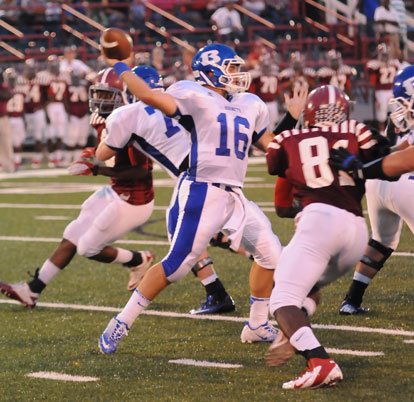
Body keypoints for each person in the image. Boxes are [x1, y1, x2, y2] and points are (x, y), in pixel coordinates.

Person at [98, 43, 307, 354]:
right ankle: (121, 322)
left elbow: (273, 149)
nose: (238, 73)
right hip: (203, 188)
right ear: (211, 71)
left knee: (271, 254)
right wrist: (121, 66)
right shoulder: (193, 94)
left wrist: (291, 120)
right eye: (231, 67)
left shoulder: (250, 103)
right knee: (178, 265)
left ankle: (256, 324)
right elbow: (149, 96)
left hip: (234, 193)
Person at [0, 67, 155, 308]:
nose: (99, 101)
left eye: (106, 95)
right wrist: (89, 157)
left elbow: (141, 171)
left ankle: (139, 259)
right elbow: (106, 155)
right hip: (116, 191)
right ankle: (32, 291)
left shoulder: (129, 121)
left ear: (123, 95)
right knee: (72, 234)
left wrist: (96, 170)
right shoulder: (105, 120)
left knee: (87, 248)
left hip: (134, 200)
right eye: (98, 94)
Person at [265, 85, 379, 389]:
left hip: (319, 222)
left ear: (310, 112)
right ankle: (294, 331)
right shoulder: (358, 130)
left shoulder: (290, 138)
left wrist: (290, 118)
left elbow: (273, 159)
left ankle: (319, 361)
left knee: (281, 299)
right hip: (356, 229)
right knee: (309, 286)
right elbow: (379, 160)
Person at [336, 66, 414, 315]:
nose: (403, 109)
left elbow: (403, 148)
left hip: (380, 184)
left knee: (382, 241)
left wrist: (364, 167)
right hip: (404, 181)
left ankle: (351, 300)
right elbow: (406, 157)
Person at [367, 43, 399, 131]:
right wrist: (374, 95)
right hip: (381, 91)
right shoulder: (376, 65)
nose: (385, 56)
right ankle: (382, 133)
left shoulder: (393, 63)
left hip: (390, 90)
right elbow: (373, 82)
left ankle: (396, 133)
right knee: (382, 115)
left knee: (396, 114)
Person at [45, 55, 70, 167]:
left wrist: (67, 110)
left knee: (60, 133)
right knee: (50, 134)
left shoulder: (65, 75)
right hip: (50, 106)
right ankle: (52, 158)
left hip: (61, 106)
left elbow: (67, 95)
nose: (54, 67)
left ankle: (58, 157)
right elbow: (42, 95)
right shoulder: (44, 76)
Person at [4, 68, 26, 170]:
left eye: (13, 79)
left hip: (17, 118)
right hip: (6, 118)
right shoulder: (3, 89)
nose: (11, 81)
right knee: (4, 142)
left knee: (17, 142)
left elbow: (24, 106)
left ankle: (17, 162)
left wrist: (24, 120)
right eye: (10, 79)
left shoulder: (21, 90)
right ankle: (4, 163)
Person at [0, 67, 14, 173]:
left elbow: (7, 95)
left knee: (6, 143)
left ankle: (8, 167)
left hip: (2, 118)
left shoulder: (4, 87)